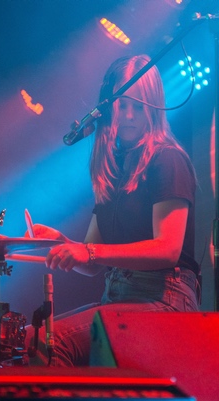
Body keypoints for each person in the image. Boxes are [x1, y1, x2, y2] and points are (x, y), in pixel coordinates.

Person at [25, 54, 201, 367]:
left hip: (165, 299)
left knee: (47, 342)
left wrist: (88, 252)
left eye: (139, 105)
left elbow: (168, 249)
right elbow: (91, 262)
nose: (130, 114)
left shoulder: (167, 159)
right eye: (123, 105)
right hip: (120, 298)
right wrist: (61, 243)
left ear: (154, 108)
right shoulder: (113, 168)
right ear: (108, 107)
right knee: (27, 337)